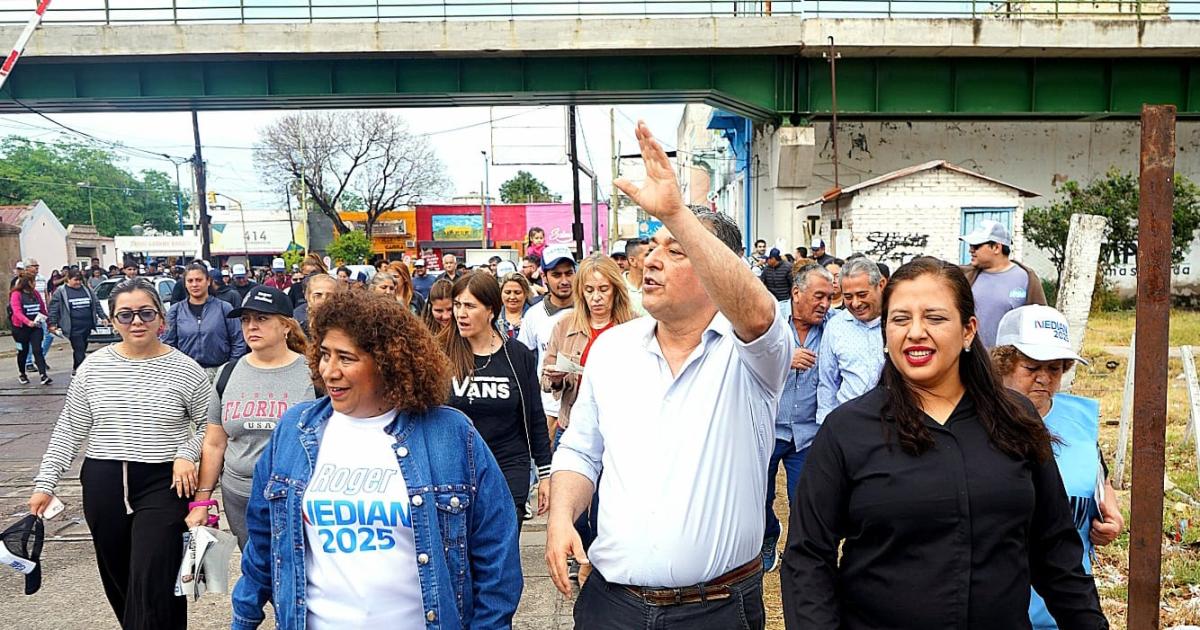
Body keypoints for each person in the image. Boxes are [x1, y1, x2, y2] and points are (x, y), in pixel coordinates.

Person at [547, 122, 790, 629]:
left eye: (675, 249)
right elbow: (581, 449)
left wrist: (679, 214)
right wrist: (560, 516)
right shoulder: (613, 350)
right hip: (612, 605)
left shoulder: (753, 354)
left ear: (717, 265)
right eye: (652, 248)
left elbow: (758, 312)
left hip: (718, 609)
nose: (651, 261)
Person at [780, 257, 1109, 630]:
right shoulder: (848, 429)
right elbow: (808, 558)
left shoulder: (1014, 419)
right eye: (900, 319)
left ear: (969, 330)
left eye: (935, 318)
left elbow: (1055, 549)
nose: (916, 332)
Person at [230, 289, 523, 629]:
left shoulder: (450, 434)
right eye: (325, 354)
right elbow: (263, 543)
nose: (330, 371)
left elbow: (496, 556)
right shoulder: (295, 431)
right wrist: (244, 618)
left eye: (346, 358)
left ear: (388, 363)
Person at [29, 278, 210, 630]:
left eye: (146, 313)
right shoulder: (92, 369)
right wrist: (45, 483)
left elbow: (210, 427)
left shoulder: (187, 370)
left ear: (162, 319)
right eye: (125, 315)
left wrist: (187, 453)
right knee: (119, 577)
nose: (136, 322)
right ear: (112, 322)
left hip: (163, 481)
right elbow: (69, 429)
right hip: (105, 480)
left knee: (153, 575)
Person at [991, 305, 1124, 629]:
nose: (1044, 378)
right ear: (1003, 364)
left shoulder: (1079, 423)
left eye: (1055, 368)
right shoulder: (977, 422)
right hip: (998, 606)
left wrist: (1112, 516)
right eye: (1032, 367)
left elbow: (1097, 476)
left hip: (1064, 608)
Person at [185, 286, 315, 550]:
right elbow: (214, 442)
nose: (251, 327)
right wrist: (202, 500)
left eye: (262, 319)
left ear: (286, 326)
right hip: (239, 496)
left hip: (296, 495)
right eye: (246, 320)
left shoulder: (313, 373)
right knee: (254, 570)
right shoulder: (228, 373)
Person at [440, 273, 553, 520]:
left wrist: (545, 475)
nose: (460, 314)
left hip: (508, 466)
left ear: (491, 310)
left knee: (502, 551)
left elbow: (534, 416)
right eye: (457, 305)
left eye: (470, 306)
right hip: (454, 470)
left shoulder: (517, 355)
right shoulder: (440, 354)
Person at [760, 262, 835, 573]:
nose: (825, 304)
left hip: (808, 432)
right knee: (759, 495)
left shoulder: (834, 326)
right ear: (796, 293)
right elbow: (740, 357)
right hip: (768, 428)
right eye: (819, 296)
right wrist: (783, 359)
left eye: (831, 297)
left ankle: (798, 555)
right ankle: (766, 538)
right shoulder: (767, 318)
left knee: (803, 500)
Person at [541, 254, 637, 440]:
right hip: (573, 425)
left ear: (616, 290)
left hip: (618, 428)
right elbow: (545, 382)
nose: (596, 297)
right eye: (589, 290)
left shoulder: (634, 325)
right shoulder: (565, 325)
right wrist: (556, 378)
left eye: (603, 289)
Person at [517, 244, 577, 447]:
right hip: (546, 410)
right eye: (557, 274)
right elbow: (522, 360)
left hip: (582, 409)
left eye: (569, 273)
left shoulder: (589, 312)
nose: (564, 281)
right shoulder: (534, 315)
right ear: (544, 277)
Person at [816, 256, 887, 423]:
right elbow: (827, 383)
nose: (856, 303)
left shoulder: (899, 322)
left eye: (862, 294)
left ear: (881, 285)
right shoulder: (836, 327)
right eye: (848, 297)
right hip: (849, 424)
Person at [959, 219, 1048, 348]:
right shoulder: (965, 276)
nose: (971, 250)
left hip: (1007, 363)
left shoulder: (1026, 278)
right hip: (972, 362)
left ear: (996, 247)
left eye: (976, 246)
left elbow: (1040, 325)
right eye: (970, 246)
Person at [162, 263, 247, 379]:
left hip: (220, 372)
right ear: (185, 284)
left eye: (199, 280)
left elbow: (238, 340)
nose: (194, 284)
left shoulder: (224, 308)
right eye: (190, 281)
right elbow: (168, 344)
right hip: (186, 374)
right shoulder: (176, 311)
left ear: (208, 281)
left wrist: (230, 368)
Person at [47, 268, 107, 375]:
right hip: (73, 327)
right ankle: (81, 372)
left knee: (82, 348)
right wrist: (52, 324)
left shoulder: (87, 290)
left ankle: (76, 368)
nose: (78, 282)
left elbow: (96, 304)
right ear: (68, 280)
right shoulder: (61, 292)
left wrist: (103, 317)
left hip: (87, 325)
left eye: (80, 280)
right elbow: (53, 309)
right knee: (79, 348)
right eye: (75, 280)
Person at [10, 274, 51, 385]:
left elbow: (42, 309)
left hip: (36, 327)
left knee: (38, 350)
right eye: (33, 282)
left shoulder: (35, 294)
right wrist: (28, 322)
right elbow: (17, 312)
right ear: (27, 283)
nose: (35, 284)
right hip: (20, 329)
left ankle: (43, 375)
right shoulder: (16, 295)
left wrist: (48, 323)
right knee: (22, 351)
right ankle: (22, 373)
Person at [498, 272, 534, 339]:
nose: (512, 297)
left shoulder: (535, 316)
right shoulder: (493, 318)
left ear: (526, 293)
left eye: (517, 293)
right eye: (507, 292)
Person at [622, 238, 648, 316]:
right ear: (632, 261)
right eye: (647, 255)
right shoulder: (617, 286)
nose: (652, 259)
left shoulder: (657, 286)